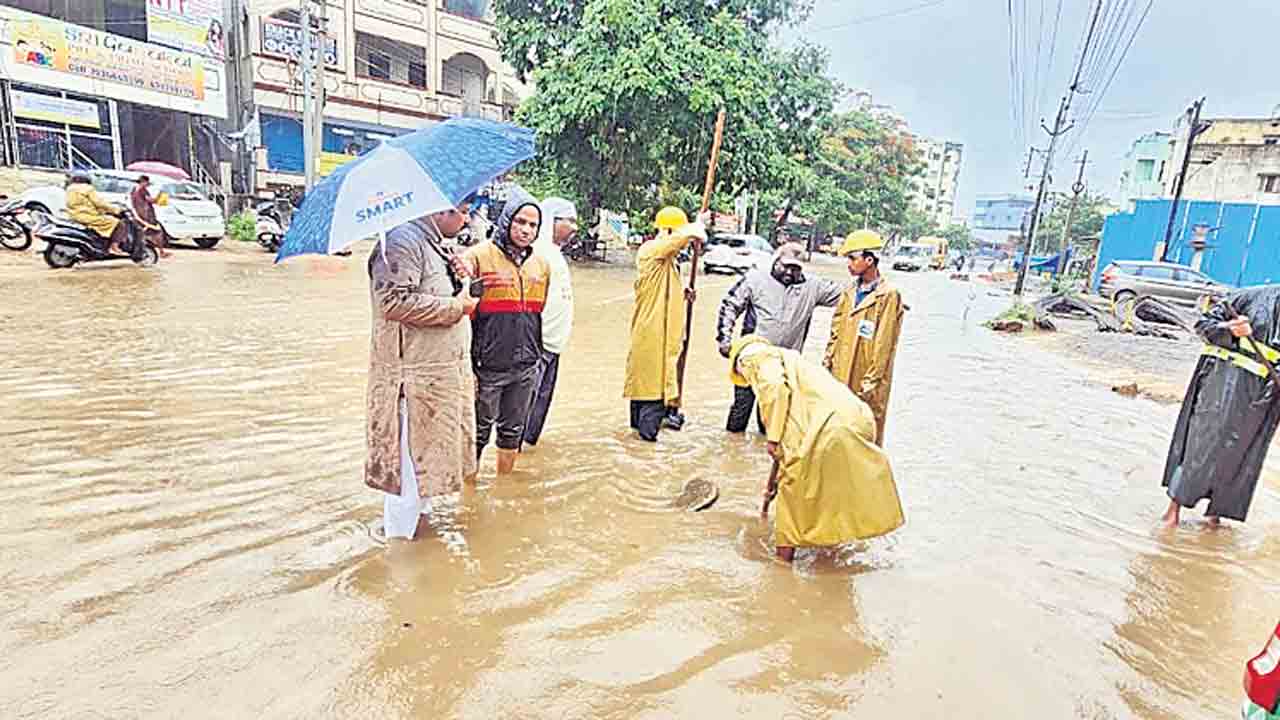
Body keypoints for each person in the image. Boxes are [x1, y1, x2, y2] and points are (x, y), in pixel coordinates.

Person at [730, 335, 904, 562]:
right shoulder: (794, 362)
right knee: (833, 491)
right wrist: (772, 482)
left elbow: (775, 388)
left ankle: (782, 563)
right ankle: (832, 555)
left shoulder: (756, 359)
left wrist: (772, 439)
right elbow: (786, 439)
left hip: (831, 429)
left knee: (793, 490)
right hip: (858, 418)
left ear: (740, 364)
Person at [366, 200, 479, 540]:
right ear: (440, 210)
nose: (467, 219)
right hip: (412, 381)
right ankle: (400, 551)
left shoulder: (434, 244)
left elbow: (438, 293)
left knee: (429, 462)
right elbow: (392, 302)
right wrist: (456, 306)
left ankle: (423, 532)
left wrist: (461, 277)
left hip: (440, 376)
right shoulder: (401, 242)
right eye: (464, 210)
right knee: (409, 471)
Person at [1161, 286, 1280, 528]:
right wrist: (1229, 330)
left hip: (1265, 397)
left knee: (1243, 453)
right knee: (1202, 444)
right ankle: (1173, 509)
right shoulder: (1251, 297)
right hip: (1224, 382)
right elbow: (1204, 325)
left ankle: (1215, 514)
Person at [463, 187, 549, 474]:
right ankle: (468, 495)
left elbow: (541, 314)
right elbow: (463, 316)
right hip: (486, 367)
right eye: (520, 222)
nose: (526, 230)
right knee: (476, 434)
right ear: (506, 220)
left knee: (513, 432)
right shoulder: (477, 257)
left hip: (526, 366)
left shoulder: (542, 265)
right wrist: (468, 367)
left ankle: (504, 488)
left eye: (532, 225)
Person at [716, 242, 844, 434]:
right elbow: (730, 305)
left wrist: (885, 299)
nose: (790, 273)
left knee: (772, 419)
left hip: (785, 363)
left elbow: (849, 297)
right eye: (786, 266)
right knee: (740, 411)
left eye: (796, 269)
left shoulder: (813, 287)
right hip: (752, 358)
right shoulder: (755, 279)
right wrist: (724, 339)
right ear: (775, 261)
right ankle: (731, 451)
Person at [622, 207, 706, 441]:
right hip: (652, 338)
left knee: (644, 394)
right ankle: (646, 452)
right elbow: (672, 244)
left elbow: (663, 292)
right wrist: (695, 228)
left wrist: (682, 294)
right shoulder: (651, 250)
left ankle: (635, 446)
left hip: (657, 337)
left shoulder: (669, 262)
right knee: (653, 393)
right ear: (668, 230)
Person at [823, 230, 905, 445]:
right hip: (841, 372)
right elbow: (836, 329)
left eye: (852, 258)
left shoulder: (888, 295)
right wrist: (828, 360)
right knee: (840, 428)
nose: (848, 264)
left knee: (866, 433)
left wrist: (871, 382)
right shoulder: (849, 291)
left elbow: (884, 344)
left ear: (869, 260)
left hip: (867, 377)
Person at [523, 197, 577, 448]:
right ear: (553, 221)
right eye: (570, 220)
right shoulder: (538, 254)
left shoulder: (555, 254)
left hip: (554, 343)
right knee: (525, 405)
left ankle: (527, 454)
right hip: (536, 344)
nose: (575, 227)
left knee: (540, 404)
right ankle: (513, 456)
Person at [65, 174, 127, 254]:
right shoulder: (87, 188)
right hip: (88, 216)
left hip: (74, 216)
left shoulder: (70, 189)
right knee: (118, 223)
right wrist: (116, 210)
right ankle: (114, 247)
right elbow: (99, 203)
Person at [129, 175, 169, 258]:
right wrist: (160, 195)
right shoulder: (143, 191)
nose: (147, 184)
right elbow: (151, 200)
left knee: (141, 233)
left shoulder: (133, 190)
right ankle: (161, 251)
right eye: (147, 183)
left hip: (138, 214)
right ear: (144, 182)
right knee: (157, 232)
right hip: (147, 215)